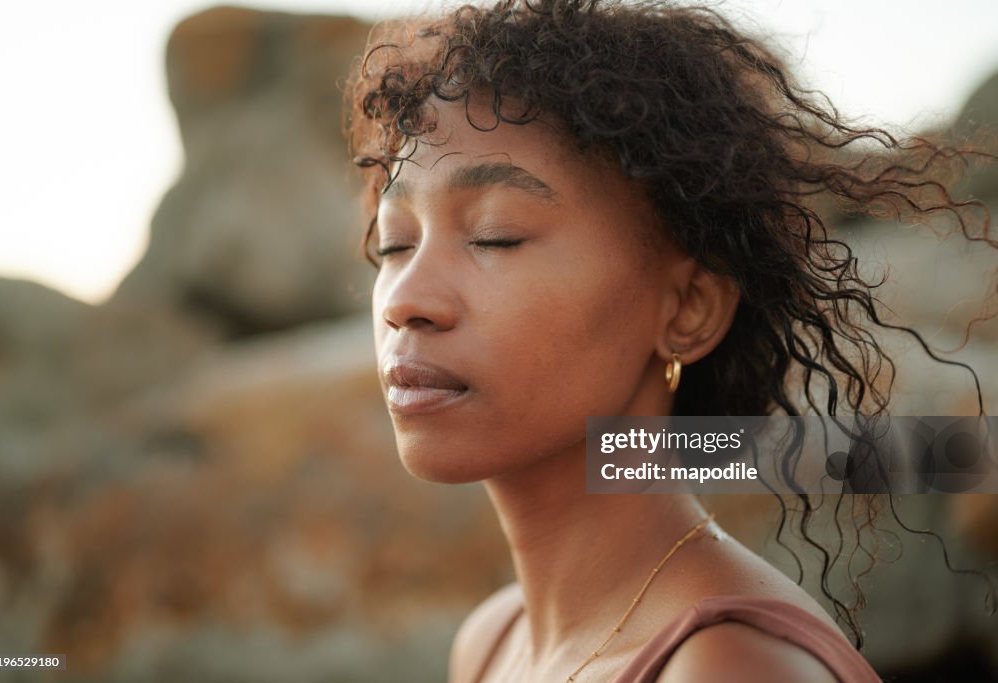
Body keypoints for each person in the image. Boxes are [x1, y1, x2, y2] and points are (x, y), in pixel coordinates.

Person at [343, 1, 996, 681]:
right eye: (395, 242)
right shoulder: (493, 642)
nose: (405, 301)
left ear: (688, 308)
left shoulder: (729, 666)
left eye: (495, 235)